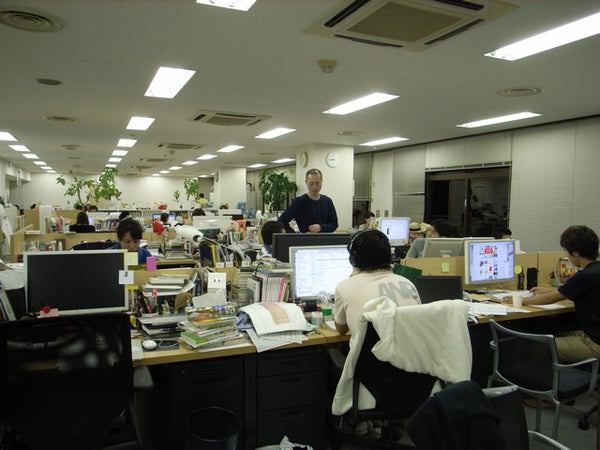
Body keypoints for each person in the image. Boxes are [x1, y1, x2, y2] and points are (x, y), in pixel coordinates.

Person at [518, 225, 600, 362]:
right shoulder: (595, 270)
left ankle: (547, 377)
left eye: (566, 251)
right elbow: (569, 291)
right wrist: (548, 290)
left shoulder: (585, 275)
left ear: (576, 253)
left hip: (595, 344)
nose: (567, 256)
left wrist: (520, 300)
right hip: (594, 334)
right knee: (555, 333)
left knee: (541, 346)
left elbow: (550, 299)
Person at [334, 230, 421, 336]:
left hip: (371, 347)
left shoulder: (345, 287)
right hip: (408, 347)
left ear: (353, 258)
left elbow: (341, 329)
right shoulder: (408, 284)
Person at [279, 168, 338, 233]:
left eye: (317, 183)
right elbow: (282, 221)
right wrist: (294, 236)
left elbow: (334, 224)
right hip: (306, 238)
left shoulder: (327, 201)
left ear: (321, 182)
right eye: (311, 183)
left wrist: (321, 227)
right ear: (306, 182)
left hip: (326, 238)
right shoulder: (299, 202)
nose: (314, 187)